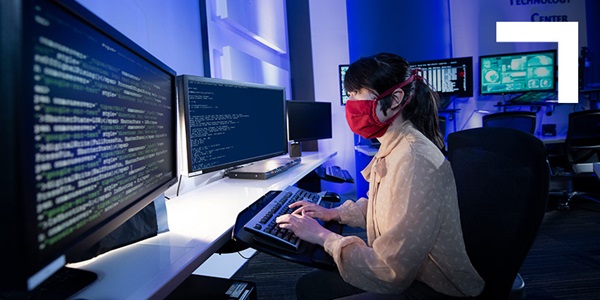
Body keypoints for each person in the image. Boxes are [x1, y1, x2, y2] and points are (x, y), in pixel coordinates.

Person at [276, 53, 484, 299]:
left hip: (432, 287)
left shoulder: (414, 159)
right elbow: (385, 207)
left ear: (395, 99)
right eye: (349, 95)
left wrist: (322, 236)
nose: (350, 104)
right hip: (412, 274)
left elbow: (391, 272)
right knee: (310, 286)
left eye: (357, 94)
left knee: (313, 288)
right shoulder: (395, 145)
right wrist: (334, 213)